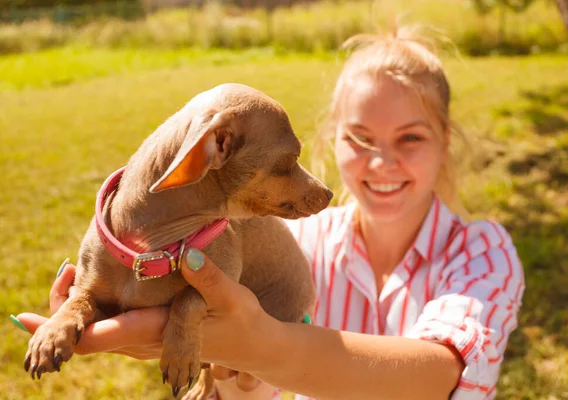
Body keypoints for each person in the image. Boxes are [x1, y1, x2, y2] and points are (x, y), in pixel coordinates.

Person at [14, 26, 524, 400]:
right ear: (332, 139)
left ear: (445, 141)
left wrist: (262, 345)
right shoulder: (292, 239)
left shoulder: (484, 254)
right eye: (360, 139)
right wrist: (236, 376)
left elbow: (441, 375)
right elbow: (248, 380)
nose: (381, 162)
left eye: (409, 138)